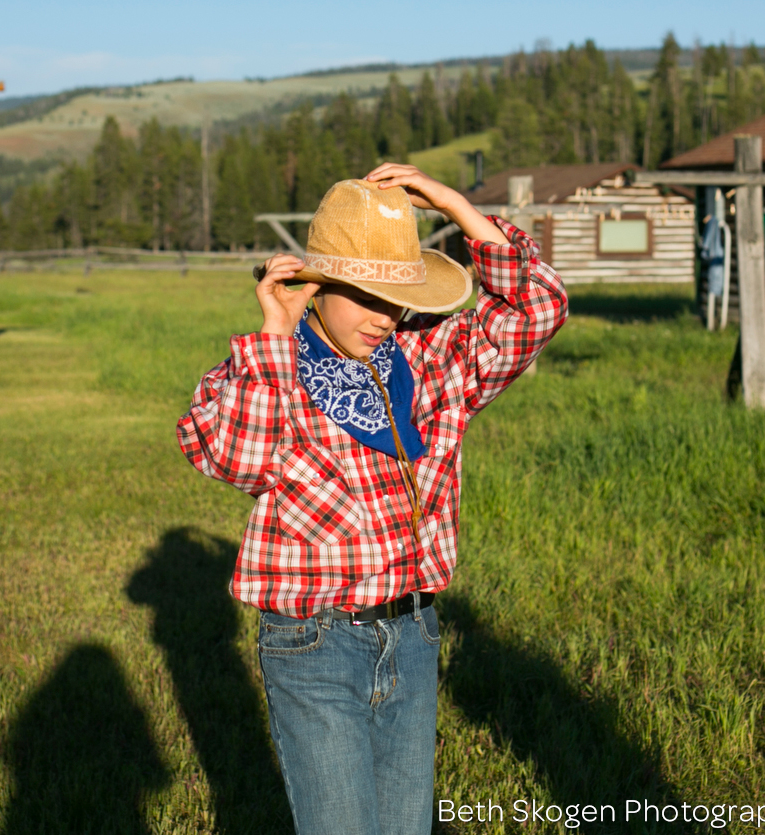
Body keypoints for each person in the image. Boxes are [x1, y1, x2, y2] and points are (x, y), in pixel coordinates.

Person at [175, 162, 568, 835]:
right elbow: (238, 458)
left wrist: (457, 207)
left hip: (413, 633)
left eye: (396, 297)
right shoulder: (270, 370)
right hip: (316, 642)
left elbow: (537, 309)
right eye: (361, 294)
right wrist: (274, 333)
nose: (383, 317)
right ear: (315, 284)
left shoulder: (433, 360)